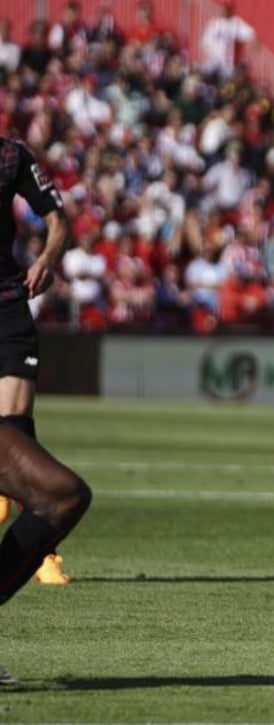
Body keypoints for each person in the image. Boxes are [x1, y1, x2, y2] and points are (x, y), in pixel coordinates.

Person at [0, 136, 94, 682]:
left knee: (27, 458)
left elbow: (57, 221)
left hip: (7, 312)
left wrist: (47, 257)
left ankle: (39, 548)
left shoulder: (12, 157)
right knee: (50, 489)